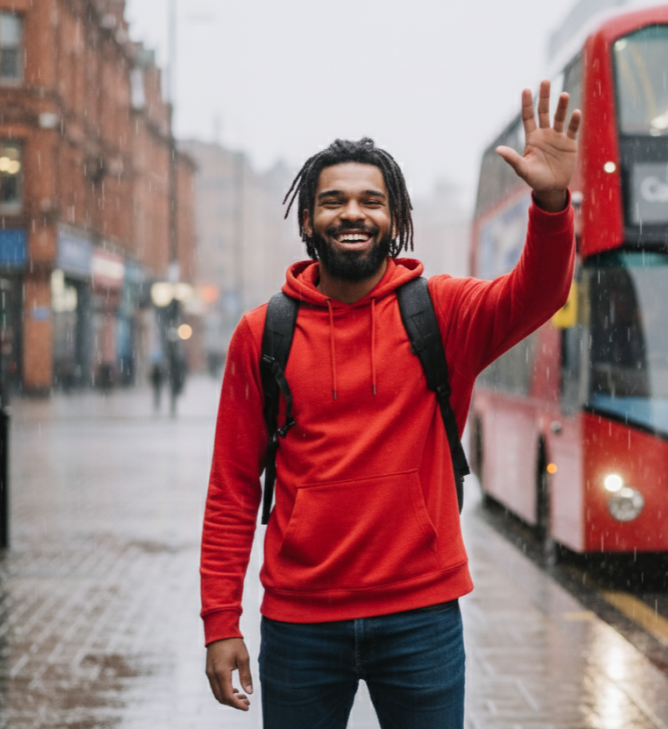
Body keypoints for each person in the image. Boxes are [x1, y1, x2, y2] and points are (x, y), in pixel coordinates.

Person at [200, 81, 581, 728]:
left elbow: (537, 295)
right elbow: (233, 489)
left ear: (396, 218)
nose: (353, 214)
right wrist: (219, 621)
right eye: (335, 201)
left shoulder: (443, 311)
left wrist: (550, 203)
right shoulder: (260, 334)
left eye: (372, 201)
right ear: (306, 220)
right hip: (298, 624)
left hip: (421, 619)